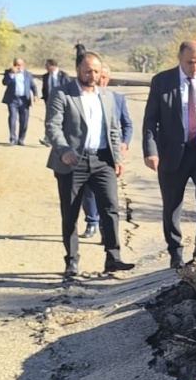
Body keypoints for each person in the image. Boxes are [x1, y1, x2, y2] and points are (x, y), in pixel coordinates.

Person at [45, 53, 135, 278]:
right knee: (70, 213)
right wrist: (64, 150)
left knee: (110, 209)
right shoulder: (63, 93)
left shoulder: (106, 96)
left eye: (96, 71)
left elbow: (114, 129)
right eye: (87, 71)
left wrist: (118, 159)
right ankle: (72, 261)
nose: (92, 75)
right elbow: (53, 126)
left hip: (103, 160)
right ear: (78, 70)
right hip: (73, 161)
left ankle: (113, 258)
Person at [141, 39, 196, 269]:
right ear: (180, 58)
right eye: (190, 62)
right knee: (172, 205)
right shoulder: (162, 81)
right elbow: (150, 120)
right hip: (172, 152)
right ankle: (176, 252)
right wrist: (151, 151)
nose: (195, 67)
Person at [81, 62, 133, 238]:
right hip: (89, 152)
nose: (100, 80)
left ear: (108, 78)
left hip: (110, 154)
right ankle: (91, 222)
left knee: (107, 196)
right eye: (98, 76)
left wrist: (124, 143)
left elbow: (127, 125)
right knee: (88, 191)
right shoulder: (84, 97)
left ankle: (106, 230)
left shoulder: (117, 99)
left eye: (104, 77)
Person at [0, 57, 38, 145]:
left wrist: (35, 95)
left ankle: (21, 139)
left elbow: (33, 86)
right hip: (13, 99)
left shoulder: (28, 74)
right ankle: (13, 138)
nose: (17, 67)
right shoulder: (8, 72)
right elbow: (4, 82)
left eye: (19, 65)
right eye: (15, 65)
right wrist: (11, 74)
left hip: (24, 99)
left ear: (23, 65)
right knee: (12, 118)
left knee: (24, 120)